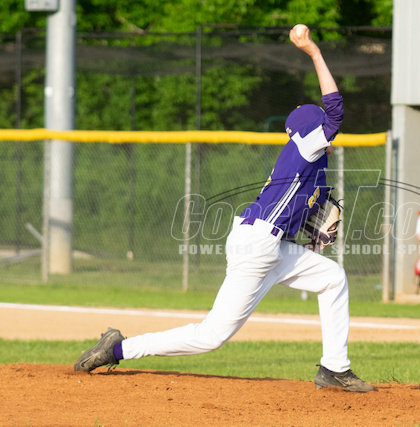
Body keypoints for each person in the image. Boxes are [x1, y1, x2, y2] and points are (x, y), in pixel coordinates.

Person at [74, 25, 375, 393]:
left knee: (332, 278)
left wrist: (311, 237)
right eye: (324, 130)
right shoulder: (306, 147)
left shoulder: (312, 164)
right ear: (313, 130)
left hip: (271, 245)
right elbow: (336, 112)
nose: (331, 135)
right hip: (258, 245)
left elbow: (303, 211)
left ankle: (334, 368)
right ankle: (119, 348)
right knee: (211, 335)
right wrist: (313, 51)